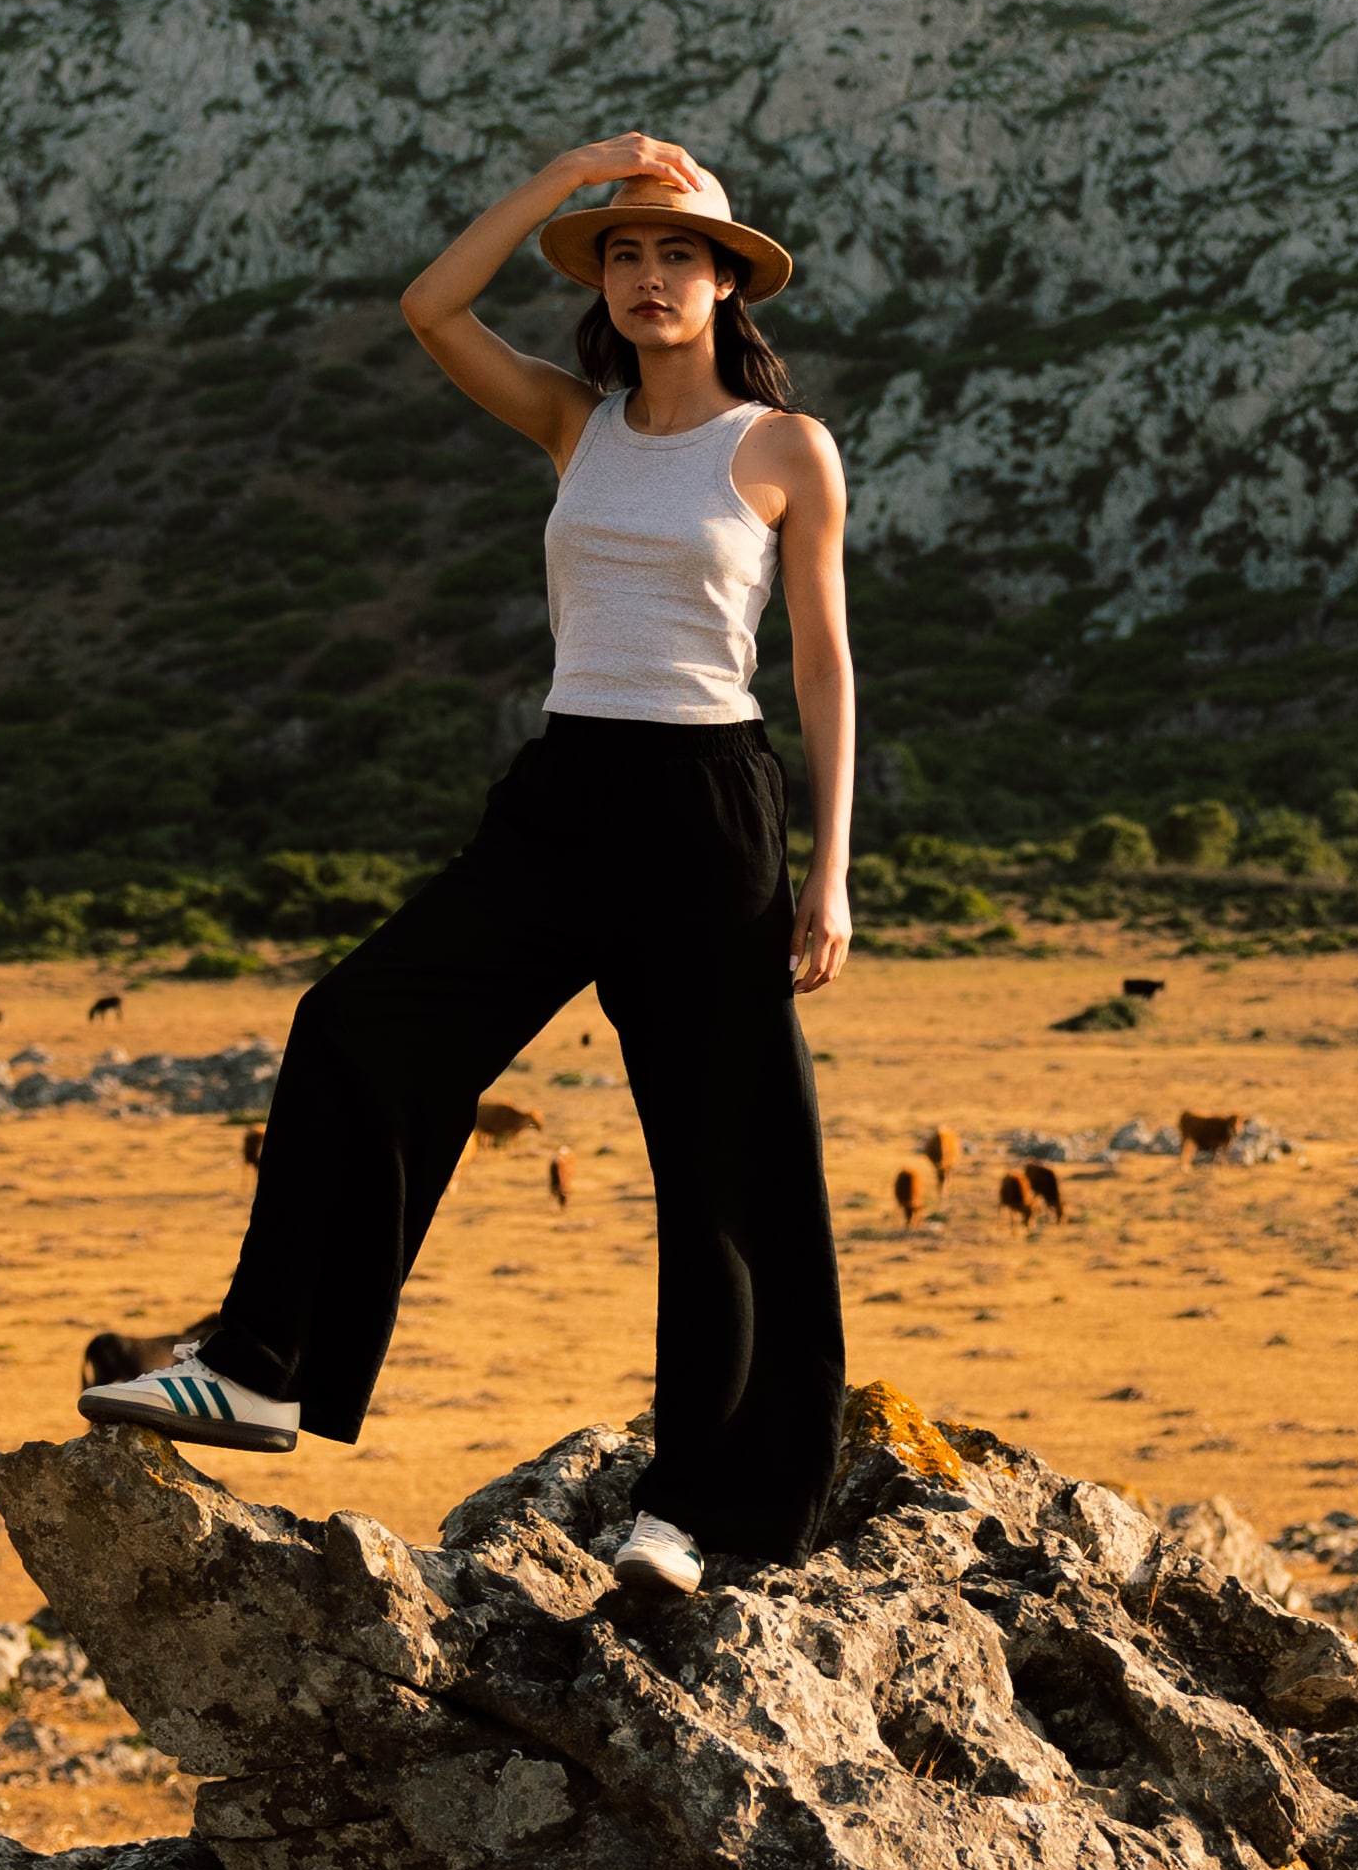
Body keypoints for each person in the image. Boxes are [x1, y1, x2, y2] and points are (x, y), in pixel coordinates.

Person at [79, 134, 855, 1590]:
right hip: (563, 795)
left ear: (727, 278)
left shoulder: (779, 448)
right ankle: (261, 1365)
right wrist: (573, 172)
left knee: (721, 1169)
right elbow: (430, 308)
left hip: (710, 810)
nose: (644, 275)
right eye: (620, 254)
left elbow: (821, 663)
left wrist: (831, 873)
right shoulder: (580, 424)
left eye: (673, 252)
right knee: (359, 1026)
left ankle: (698, 1512)